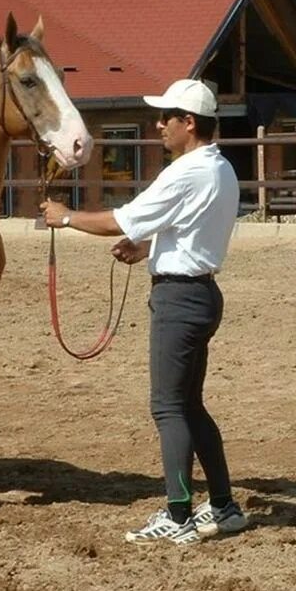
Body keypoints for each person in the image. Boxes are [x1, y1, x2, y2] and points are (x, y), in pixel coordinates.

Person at [41, 79, 247, 545]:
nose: (158, 125)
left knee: (168, 407)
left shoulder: (185, 171)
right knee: (190, 405)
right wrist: (149, 246)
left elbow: (121, 218)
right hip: (202, 293)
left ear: (188, 123)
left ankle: (178, 514)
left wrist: (66, 216)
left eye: (165, 118)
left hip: (179, 299)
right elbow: (191, 226)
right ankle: (223, 505)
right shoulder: (220, 169)